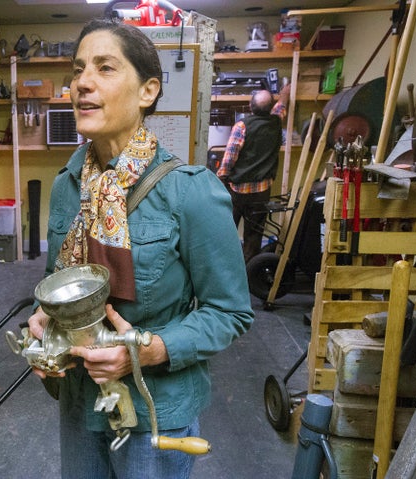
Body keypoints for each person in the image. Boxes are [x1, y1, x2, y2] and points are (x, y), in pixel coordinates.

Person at [26, 18, 254, 478]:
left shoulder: (190, 192)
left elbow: (230, 313)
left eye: (105, 68)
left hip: (156, 412)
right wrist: (45, 321)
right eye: (77, 70)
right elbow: (62, 283)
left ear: (148, 91)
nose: (82, 83)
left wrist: (148, 350)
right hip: (79, 405)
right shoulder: (71, 185)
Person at [216, 85, 290, 264]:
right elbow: (281, 108)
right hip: (261, 190)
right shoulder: (275, 121)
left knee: (227, 229)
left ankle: (226, 266)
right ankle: (250, 271)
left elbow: (229, 158)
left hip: (238, 191)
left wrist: (219, 177)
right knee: (254, 233)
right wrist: (285, 94)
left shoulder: (242, 126)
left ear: (251, 107)